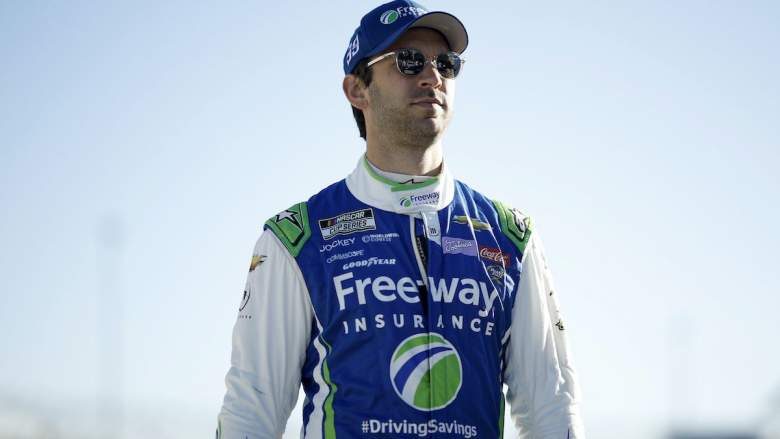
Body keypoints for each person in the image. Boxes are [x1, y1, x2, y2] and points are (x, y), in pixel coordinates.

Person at [216, 1, 585, 438]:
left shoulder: (510, 237)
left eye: (447, 64)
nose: (433, 76)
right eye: (409, 61)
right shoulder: (296, 239)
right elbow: (252, 409)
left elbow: (551, 408)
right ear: (357, 90)